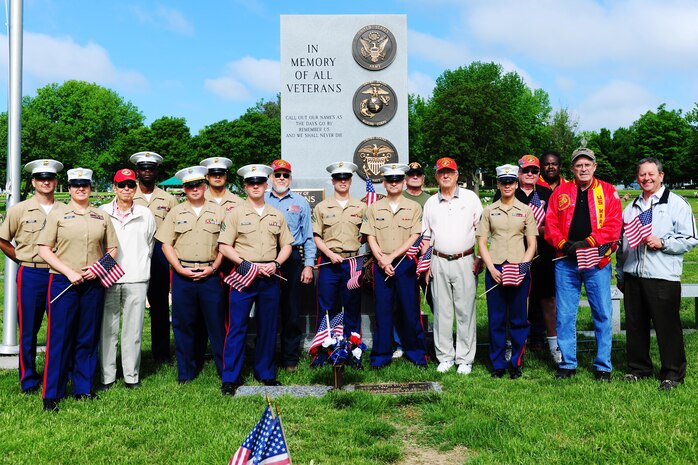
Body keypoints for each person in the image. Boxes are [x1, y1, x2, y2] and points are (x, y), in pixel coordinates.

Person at [38, 168, 119, 412]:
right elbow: (44, 248)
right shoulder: (58, 215)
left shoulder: (101, 216)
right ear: (69, 188)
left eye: (84, 184)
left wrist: (98, 269)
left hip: (92, 283)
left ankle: (83, 387)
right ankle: (52, 392)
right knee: (60, 339)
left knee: (87, 336)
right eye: (75, 185)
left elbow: (113, 249)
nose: (80, 188)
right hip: (64, 283)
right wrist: (68, 272)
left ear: (91, 187)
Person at [616, 157, 698, 390]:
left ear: (661, 176)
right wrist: (621, 274)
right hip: (634, 276)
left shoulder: (676, 203)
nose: (646, 178)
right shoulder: (631, 208)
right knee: (635, 325)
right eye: (642, 174)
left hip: (663, 277)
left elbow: (690, 239)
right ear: (637, 177)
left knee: (667, 327)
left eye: (651, 174)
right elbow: (622, 245)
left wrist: (662, 242)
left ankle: (672, 373)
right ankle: (639, 368)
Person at [545, 146, 622, 381]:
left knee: (602, 313)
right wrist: (565, 245)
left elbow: (613, 224)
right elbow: (550, 223)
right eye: (578, 165)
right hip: (565, 261)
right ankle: (568, 363)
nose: (583, 168)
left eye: (587, 164)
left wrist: (588, 242)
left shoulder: (608, 191)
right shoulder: (561, 192)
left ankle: (603, 365)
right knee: (565, 315)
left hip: (596, 261)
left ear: (594, 167)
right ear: (572, 169)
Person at [218, 164, 293, 395]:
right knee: (237, 327)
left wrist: (277, 264)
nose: (255, 186)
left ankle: (265, 373)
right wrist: (244, 264)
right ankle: (230, 377)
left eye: (259, 182)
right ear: (245, 186)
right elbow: (224, 246)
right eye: (251, 183)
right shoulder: (235, 214)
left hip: (269, 276)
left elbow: (287, 245)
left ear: (266, 185)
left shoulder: (276, 214)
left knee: (268, 326)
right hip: (244, 274)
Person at [155, 165, 226, 383]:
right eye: (189, 186)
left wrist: (214, 267)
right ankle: (186, 372)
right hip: (182, 275)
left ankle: (225, 372)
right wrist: (177, 268)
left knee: (216, 325)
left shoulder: (219, 211)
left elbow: (226, 244)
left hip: (210, 274)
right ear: (184, 189)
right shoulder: (176, 212)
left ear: (204, 186)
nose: (194, 189)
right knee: (183, 324)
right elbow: (166, 244)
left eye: (197, 185)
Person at [0, 159, 63, 394]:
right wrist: (21, 258)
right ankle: (28, 379)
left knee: (59, 327)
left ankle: (56, 374)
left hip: (58, 275)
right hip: (31, 274)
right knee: (28, 329)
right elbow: (3, 239)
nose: (46, 182)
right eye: (41, 179)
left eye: (50, 178)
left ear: (56, 182)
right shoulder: (19, 209)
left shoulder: (65, 210)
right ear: (34, 182)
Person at [360, 163, 427, 368]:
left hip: (405, 264)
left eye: (398, 179)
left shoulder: (414, 207)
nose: (394, 183)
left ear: (404, 181)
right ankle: (381, 356)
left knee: (410, 311)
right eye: (390, 180)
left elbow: (415, 236)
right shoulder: (374, 207)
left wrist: (392, 257)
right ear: (385, 183)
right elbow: (370, 235)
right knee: (383, 312)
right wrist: (381, 259)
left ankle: (416, 354)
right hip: (381, 266)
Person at [494, 155, 559, 362]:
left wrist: (535, 229)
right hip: (514, 253)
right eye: (525, 171)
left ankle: (553, 344)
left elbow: (555, 222)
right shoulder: (507, 190)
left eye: (534, 171)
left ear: (539, 174)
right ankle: (510, 343)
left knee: (547, 298)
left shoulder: (547, 193)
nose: (530, 174)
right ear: (518, 173)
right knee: (512, 299)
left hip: (544, 254)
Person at [422, 157, 483, 375]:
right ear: (436, 176)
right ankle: (445, 356)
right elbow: (426, 236)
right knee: (442, 311)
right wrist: (426, 263)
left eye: (450, 172)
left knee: (465, 311)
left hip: (465, 260)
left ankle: (465, 358)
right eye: (441, 172)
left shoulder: (470, 198)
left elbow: (481, 231)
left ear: (457, 175)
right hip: (438, 260)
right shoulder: (430, 202)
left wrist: (481, 258)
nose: (445, 175)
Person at [477, 164, 537, 378]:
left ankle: (516, 362)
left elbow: (532, 244)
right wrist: (491, 268)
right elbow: (482, 242)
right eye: (504, 182)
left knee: (519, 319)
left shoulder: (526, 210)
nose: (507, 185)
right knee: (496, 318)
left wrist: (522, 267)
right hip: (496, 268)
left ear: (516, 183)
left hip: (519, 267)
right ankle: (498, 364)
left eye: (511, 181)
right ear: (498, 184)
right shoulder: (489, 211)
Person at [98, 168, 156, 390]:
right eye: (121, 185)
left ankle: (131, 376)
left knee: (133, 330)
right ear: (114, 187)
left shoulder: (145, 214)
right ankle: (107, 376)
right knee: (107, 329)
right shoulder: (102, 212)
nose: (126, 189)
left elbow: (149, 245)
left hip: (136, 279)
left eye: (130, 185)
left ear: (135, 188)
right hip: (109, 278)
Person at [264, 159, 316, 372]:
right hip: (266, 258)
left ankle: (290, 359)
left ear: (290, 178)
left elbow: (308, 236)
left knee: (291, 311)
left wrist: (308, 265)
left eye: (286, 175)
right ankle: (266, 357)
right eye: (278, 175)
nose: (282, 179)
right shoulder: (262, 199)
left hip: (292, 260)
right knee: (267, 311)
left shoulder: (300, 202)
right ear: (271, 178)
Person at [312, 161, 366, 348]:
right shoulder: (322, 207)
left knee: (352, 306)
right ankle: (325, 349)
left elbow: (366, 235)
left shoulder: (360, 207)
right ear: (332, 181)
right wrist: (330, 253)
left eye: (346, 178)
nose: (342, 181)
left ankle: (353, 348)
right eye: (338, 178)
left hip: (352, 263)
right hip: (329, 262)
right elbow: (316, 236)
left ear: (350, 181)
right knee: (327, 307)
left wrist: (354, 245)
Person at [130, 151, 178, 364]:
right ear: (137, 171)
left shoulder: (168, 199)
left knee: (159, 306)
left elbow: (176, 228)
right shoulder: (128, 194)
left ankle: (161, 353)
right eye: (143, 168)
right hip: (133, 252)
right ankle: (133, 354)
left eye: (151, 168)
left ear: (156, 171)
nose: (147, 171)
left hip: (159, 253)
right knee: (133, 306)